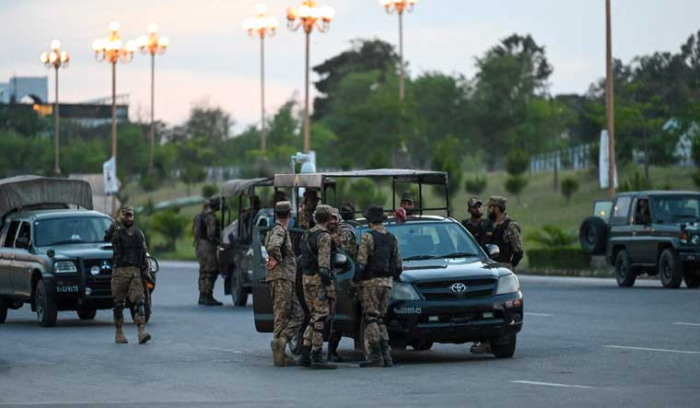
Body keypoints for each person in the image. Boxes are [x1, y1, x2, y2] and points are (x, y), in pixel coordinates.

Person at [354, 205, 402, 368]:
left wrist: (356, 281)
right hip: (387, 283)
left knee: (371, 318)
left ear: (369, 221)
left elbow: (361, 263)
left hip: (371, 282)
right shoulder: (391, 238)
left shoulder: (368, 237)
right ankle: (386, 355)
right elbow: (398, 265)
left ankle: (375, 355)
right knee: (380, 318)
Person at [264, 201, 304, 367]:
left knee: (298, 314)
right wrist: (277, 259)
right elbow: (274, 246)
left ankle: (281, 342)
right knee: (282, 314)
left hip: (285, 278)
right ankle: (279, 355)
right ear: (289, 214)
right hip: (281, 278)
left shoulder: (278, 229)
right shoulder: (280, 229)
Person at [298, 204, 337, 369]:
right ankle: (317, 355)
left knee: (314, 316)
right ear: (328, 219)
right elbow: (323, 267)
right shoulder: (324, 236)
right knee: (321, 317)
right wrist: (329, 288)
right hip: (318, 280)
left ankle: (305, 353)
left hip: (305, 279)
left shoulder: (306, 234)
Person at [111, 206, 152, 345]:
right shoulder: (117, 234)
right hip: (120, 274)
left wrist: (146, 271)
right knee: (119, 304)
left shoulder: (139, 234)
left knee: (140, 302)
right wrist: (116, 220)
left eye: (131, 215)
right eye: (126, 216)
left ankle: (141, 332)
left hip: (135, 273)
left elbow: (144, 254)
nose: (129, 218)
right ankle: (119, 332)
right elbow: (107, 236)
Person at [195, 198, 223, 306]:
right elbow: (211, 235)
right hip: (208, 247)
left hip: (199, 246)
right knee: (211, 271)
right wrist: (221, 243)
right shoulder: (211, 217)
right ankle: (208, 295)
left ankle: (202, 295)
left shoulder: (200, 216)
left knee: (203, 271)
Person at [486, 196, 523, 270]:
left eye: (490, 207)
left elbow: (518, 252)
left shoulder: (510, 226)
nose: (488, 210)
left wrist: (509, 267)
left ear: (496, 209)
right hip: (487, 268)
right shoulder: (488, 225)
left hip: (502, 269)